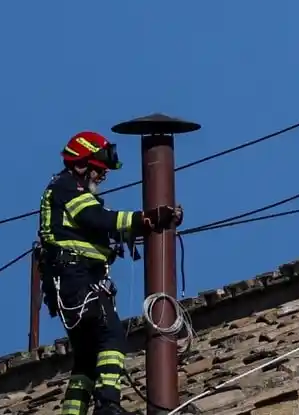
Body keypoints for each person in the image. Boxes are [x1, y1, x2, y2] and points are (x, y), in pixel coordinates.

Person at [37, 131, 183, 415]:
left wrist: (132, 228)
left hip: (69, 282)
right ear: (82, 165)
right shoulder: (69, 188)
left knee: (87, 356)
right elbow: (99, 219)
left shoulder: (65, 189)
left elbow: (97, 225)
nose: (102, 177)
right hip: (78, 279)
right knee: (112, 336)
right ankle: (107, 405)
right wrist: (147, 219)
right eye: (98, 170)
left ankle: (73, 412)